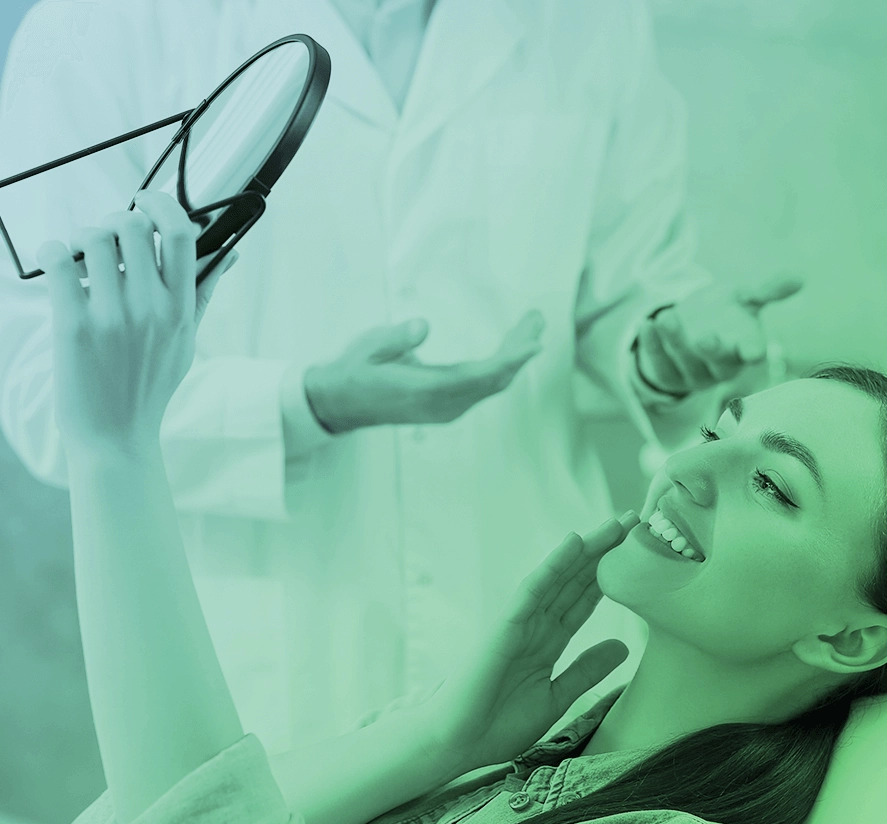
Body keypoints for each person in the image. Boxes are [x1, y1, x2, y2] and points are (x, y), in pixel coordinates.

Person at [34, 196, 887, 824]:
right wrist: (430, 741)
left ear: (850, 637)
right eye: (719, 429)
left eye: (774, 487)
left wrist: (117, 452)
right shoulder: (524, 751)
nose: (694, 467)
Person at [0, 0, 799, 761]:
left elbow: (627, 291)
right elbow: (47, 385)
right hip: (274, 654)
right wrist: (305, 404)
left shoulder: (585, 18)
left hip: (534, 616)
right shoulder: (99, 29)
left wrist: (667, 349)